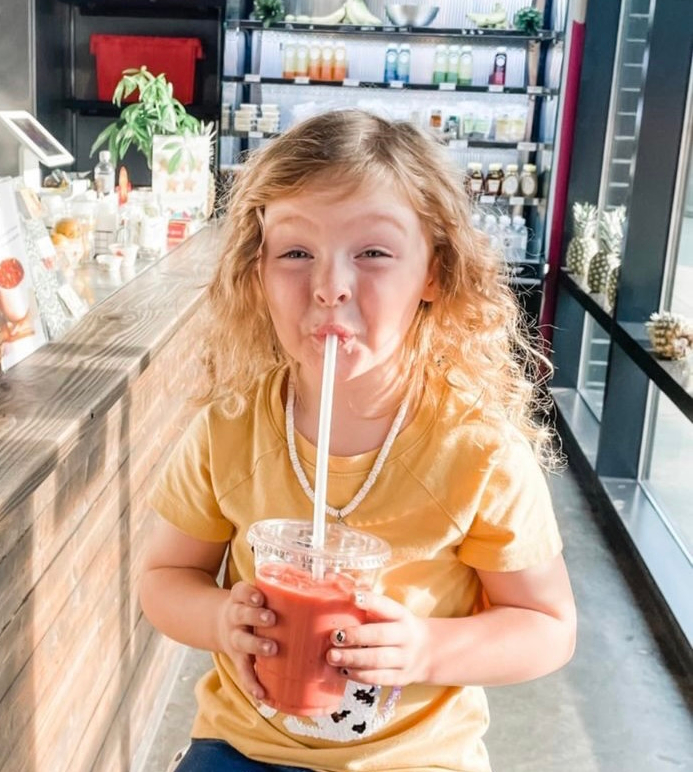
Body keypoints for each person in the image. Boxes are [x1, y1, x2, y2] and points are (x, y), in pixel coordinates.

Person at [139, 109, 576, 772]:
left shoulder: (478, 452)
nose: (329, 287)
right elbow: (166, 578)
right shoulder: (229, 431)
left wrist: (425, 648)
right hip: (244, 746)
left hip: (416, 758)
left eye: (372, 253)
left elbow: (548, 627)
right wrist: (219, 619)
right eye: (295, 253)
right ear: (256, 272)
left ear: (434, 271)